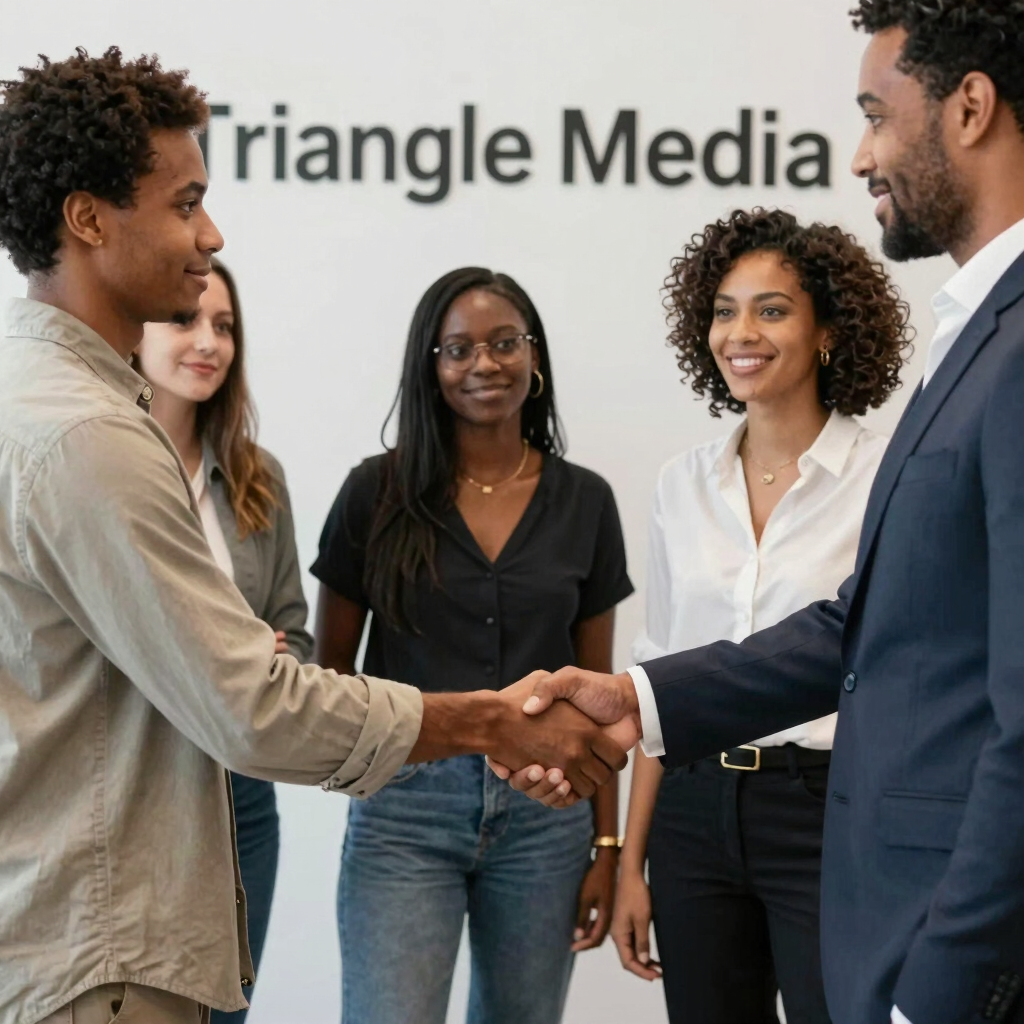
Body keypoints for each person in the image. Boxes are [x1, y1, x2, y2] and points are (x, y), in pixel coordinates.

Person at [0, 48, 633, 1024]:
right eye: (185, 203)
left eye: (506, 343)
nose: (209, 234)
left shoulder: (36, 397)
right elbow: (256, 704)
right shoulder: (89, 435)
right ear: (87, 218)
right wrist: (489, 719)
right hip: (98, 955)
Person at [502, 4, 1024, 1023]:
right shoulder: (971, 337)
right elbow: (869, 630)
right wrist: (638, 701)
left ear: (969, 108)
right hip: (833, 885)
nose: (862, 154)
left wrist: (946, 983)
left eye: (876, 113)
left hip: (941, 952)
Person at [609, 208, 910, 1024]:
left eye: (772, 309)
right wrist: (632, 861)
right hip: (695, 815)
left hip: (827, 812)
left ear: (828, 332)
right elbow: (663, 676)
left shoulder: (886, 473)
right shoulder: (682, 483)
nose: (741, 331)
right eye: (724, 309)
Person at [311, 267, 634, 1024]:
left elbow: (600, 694)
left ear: (535, 358)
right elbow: (328, 677)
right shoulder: (374, 493)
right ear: (430, 367)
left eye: (505, 343)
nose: (484, 364)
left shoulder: (585, 501)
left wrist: (608, 845)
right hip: (404, 813)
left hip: (546, 817)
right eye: (458, 349)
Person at [135, 258, 308, 1023]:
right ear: (133, 331)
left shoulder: (255, 478)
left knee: (225, 1016)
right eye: (185, 320)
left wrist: (277, 660)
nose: (208, 342)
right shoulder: (95, 462)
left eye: (225, 326)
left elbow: (296, 634)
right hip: (131, 789)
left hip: (240, 800)